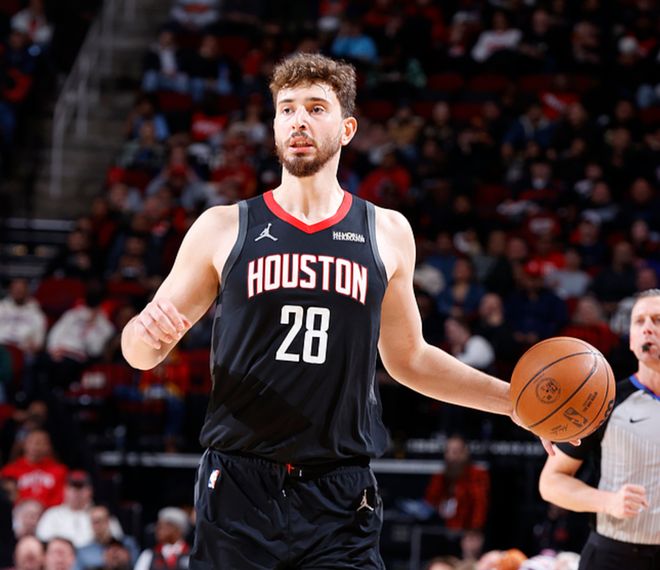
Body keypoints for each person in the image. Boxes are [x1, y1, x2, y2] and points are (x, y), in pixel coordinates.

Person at [121, 53, 554, 569]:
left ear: (347, 129)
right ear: (274, 127)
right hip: (239, 485)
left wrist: (515, 404)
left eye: (316, 107)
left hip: (340, 491)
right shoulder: (224, 226)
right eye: (287, 109)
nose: (298, 120)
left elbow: (410, 359)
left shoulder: (386, 231)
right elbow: (139, 352)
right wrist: (145, 335)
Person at [539, 288, 660, 569]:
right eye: (639, 321)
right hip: (615, 554)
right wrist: (608, 502)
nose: (647, 328)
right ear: (631, 340)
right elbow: (551, 482)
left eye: (657, 320)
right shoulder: (602, 402)